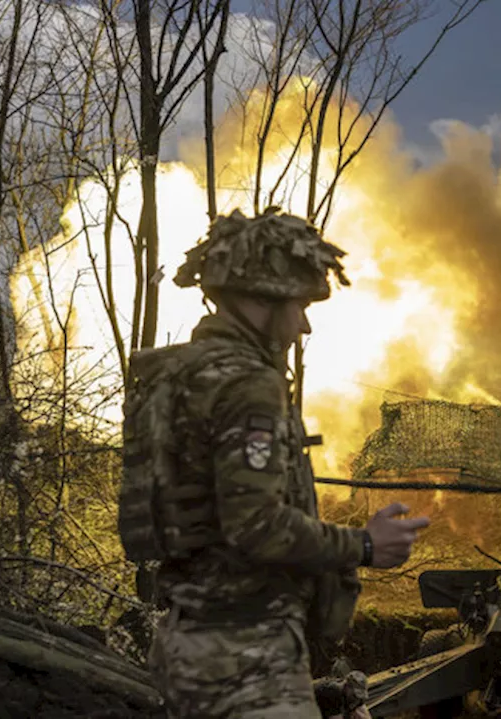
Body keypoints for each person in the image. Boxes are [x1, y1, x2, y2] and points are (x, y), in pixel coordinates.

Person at [143, 207, 430, 718]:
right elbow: (254, 525)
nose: (304, 324)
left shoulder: (181, 376)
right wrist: (364, 544)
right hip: (248, 657)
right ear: (261, 298)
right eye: (298, 304)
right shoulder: (248, 386)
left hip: (189, 641)